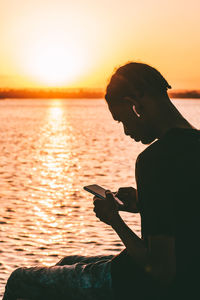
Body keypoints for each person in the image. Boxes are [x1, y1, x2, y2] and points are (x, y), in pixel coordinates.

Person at [3, 62, 200, 300]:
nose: (126, 131)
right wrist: (141, 202)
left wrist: (114, 220)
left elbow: (161, 271)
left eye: (121, 120)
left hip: (146, 284)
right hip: (192, 278)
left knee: (20, 280)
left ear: (135, 103)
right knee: (67, 262)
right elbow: (187, 213)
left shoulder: (154, 160)